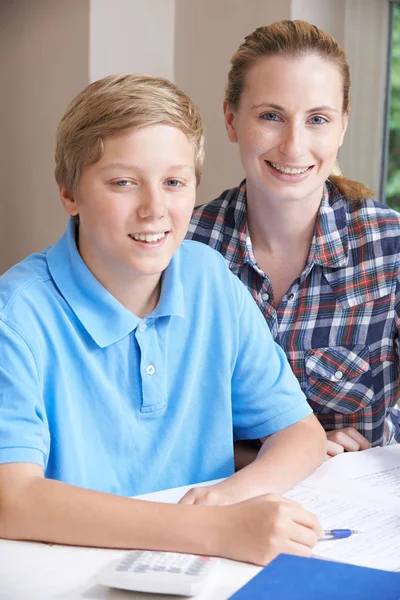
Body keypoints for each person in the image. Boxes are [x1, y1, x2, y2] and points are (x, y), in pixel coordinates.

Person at [0, 74, 326, 566]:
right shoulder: (16, 316)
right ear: (70, 194)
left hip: (201, 570)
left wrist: (229, 499)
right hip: (69, 575)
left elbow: (301, 433)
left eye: (174, 182)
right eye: (124, 183)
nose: (155, 209)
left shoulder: (210, 278)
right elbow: (12, 501)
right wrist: (209, 528)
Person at [187, 19, 400, 459]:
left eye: (317, 119)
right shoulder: (184, 247)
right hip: (220, 501)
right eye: (271, 116)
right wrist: (296, 453)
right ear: (231, 119)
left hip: (357, 509)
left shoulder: (390, 247)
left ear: (342, 126)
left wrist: (376, 449)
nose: (293, 145)